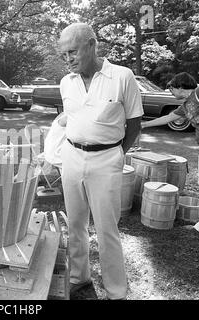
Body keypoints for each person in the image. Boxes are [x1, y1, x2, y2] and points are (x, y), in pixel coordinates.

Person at [57, 22, 143, 300]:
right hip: (72, 157)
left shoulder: (122, 76)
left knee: (107, 228)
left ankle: (116, 291)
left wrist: (116, 152)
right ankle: (78, 279)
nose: (67, 59)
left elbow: (134, 124)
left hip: (106, 159)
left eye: (72, 51)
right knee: (75, 224)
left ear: (92, 45)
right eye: (63, 54)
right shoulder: (66, 82)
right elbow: (71, 119)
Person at [141, 72, 199, 253]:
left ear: (179, 86)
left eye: (171, 88)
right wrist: (144, 125)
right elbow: (168, 118)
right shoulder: (186, 105)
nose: (170, 92)